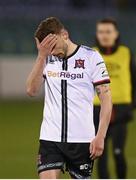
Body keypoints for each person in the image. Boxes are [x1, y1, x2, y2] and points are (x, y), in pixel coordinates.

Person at [26, 17, 112, 179]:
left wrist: (100, 136)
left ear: (64, 35)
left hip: (82, 140)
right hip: (50, 138)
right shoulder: (47, 57)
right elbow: (31, 90)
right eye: (48, 49)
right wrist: (41, 56)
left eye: (54, 46)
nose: (53, 52)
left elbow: (106, 101)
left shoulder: (91, 57)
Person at [93, 18, 136, 179]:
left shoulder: (126, 53)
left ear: (116, 34)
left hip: (121, 109)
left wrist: (131, 105)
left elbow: (134, 79)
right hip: (97, 110)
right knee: (99, 154)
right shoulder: (91, 54)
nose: (104, 35)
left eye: (108, 31)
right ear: (97, 34)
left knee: (118, 153)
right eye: (101, 31)